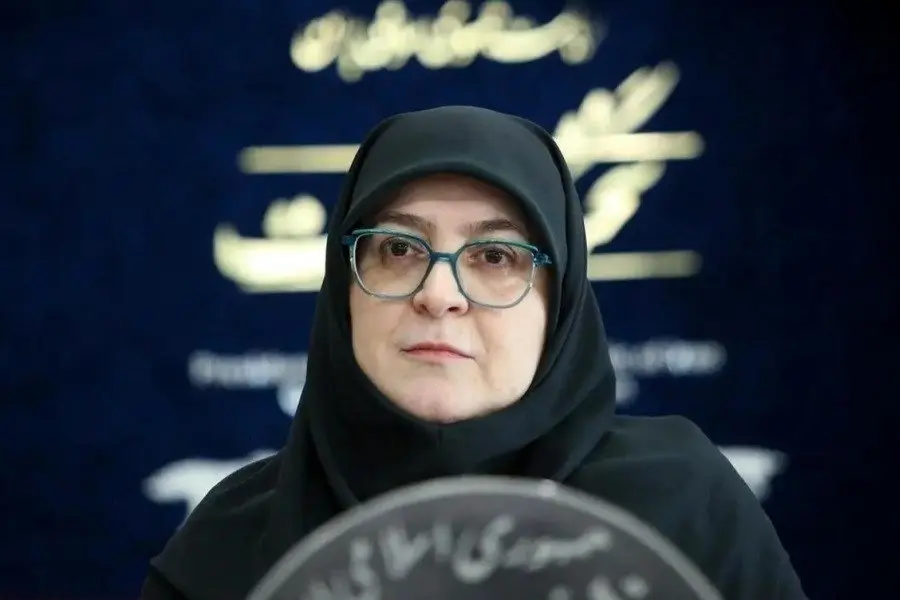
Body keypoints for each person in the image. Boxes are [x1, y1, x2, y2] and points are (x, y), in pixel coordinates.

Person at [139, 106, 808, 599]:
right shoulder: (228, 544)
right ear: (344, 287)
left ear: (560, 299)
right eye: (397, 248)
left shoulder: (686, 511)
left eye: (495, 256)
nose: (439, 294)